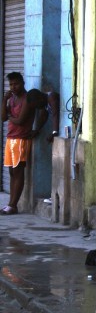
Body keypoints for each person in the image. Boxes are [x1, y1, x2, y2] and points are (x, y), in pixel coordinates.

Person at [1, 72, 40, 214]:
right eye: (11, 84)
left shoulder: (27, 98)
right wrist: (4, 100)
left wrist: (10, 116)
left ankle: (13, 205)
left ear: (22, 83)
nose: (13, 87)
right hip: (11, 138)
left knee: (18, 171)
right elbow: (3, 117)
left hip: (21, 139)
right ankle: (10, 203)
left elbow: (21, 120)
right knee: (11, 171)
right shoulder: (12, 99)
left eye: (16, 84)